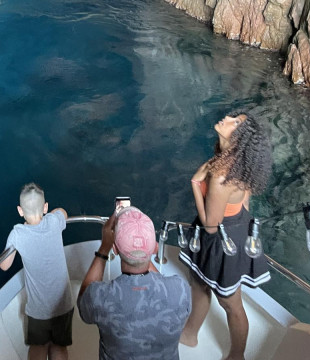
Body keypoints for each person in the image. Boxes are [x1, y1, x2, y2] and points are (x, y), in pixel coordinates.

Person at [179, 111, 272, 360]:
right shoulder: (237, 161)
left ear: (239, 138)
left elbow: (210, 226)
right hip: (236, 228)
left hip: (220, 239)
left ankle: (237, 355)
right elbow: (246, 203)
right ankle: (190, 332)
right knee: (199, 283)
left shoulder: (221, 176)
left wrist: (195, 185)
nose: (227, 118)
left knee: (230, 302)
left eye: (235, 122)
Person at [78, 206, 191, 360]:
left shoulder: (100, 297)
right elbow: (163, 285)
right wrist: (144, 252)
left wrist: (104, 248)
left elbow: (84, 305)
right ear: (155, 248)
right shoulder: (180, 290)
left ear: (115, 249)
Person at [0, 182, 74, 360]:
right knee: (59, 347)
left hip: (38, 310)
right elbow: (63, 212)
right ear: (45, 207)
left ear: (20, 210)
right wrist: (53, 213)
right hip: (63, 305)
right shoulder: (54, 221)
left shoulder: (17, 233)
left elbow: (4, 265)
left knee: (38, 348)